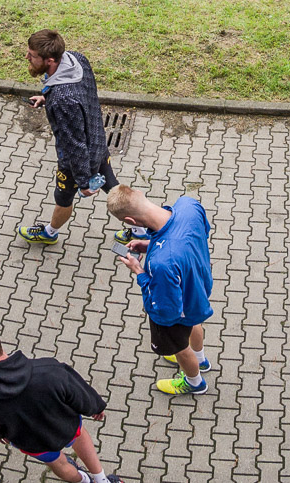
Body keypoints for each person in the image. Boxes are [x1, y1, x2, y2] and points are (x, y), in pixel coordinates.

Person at [0, 310, 121, 483]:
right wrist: (95, 407)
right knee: (80, 437)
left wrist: (1, 434)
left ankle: (84, 481)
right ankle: (101, 480)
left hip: (30, 441)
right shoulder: (49, 371)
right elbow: (80, 394)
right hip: (65, 425)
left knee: (58, 463)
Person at [109, 185, 214, 396]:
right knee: (193, 321)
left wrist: (139, 271)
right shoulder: (188, 205)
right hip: (197, 288)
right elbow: (192, 235)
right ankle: (201, 360)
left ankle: (194, 382)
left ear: (129, 221)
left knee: (179, 346)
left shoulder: (162, 263)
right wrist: (151, 244)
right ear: (140, 193)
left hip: (177, 306)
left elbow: (165, 311)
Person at [18, 30, 117, 245]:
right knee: (114, 190)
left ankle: (49, 233)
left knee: (63, 198)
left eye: (32, 55)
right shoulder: (76, 59)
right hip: (97, 141)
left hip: (79, 161)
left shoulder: (63, 101)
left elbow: (74, 145)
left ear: (50, 60)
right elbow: (80, 95)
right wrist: (47, 97)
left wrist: (83, 181)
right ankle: (141, 227)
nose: (27, 58)